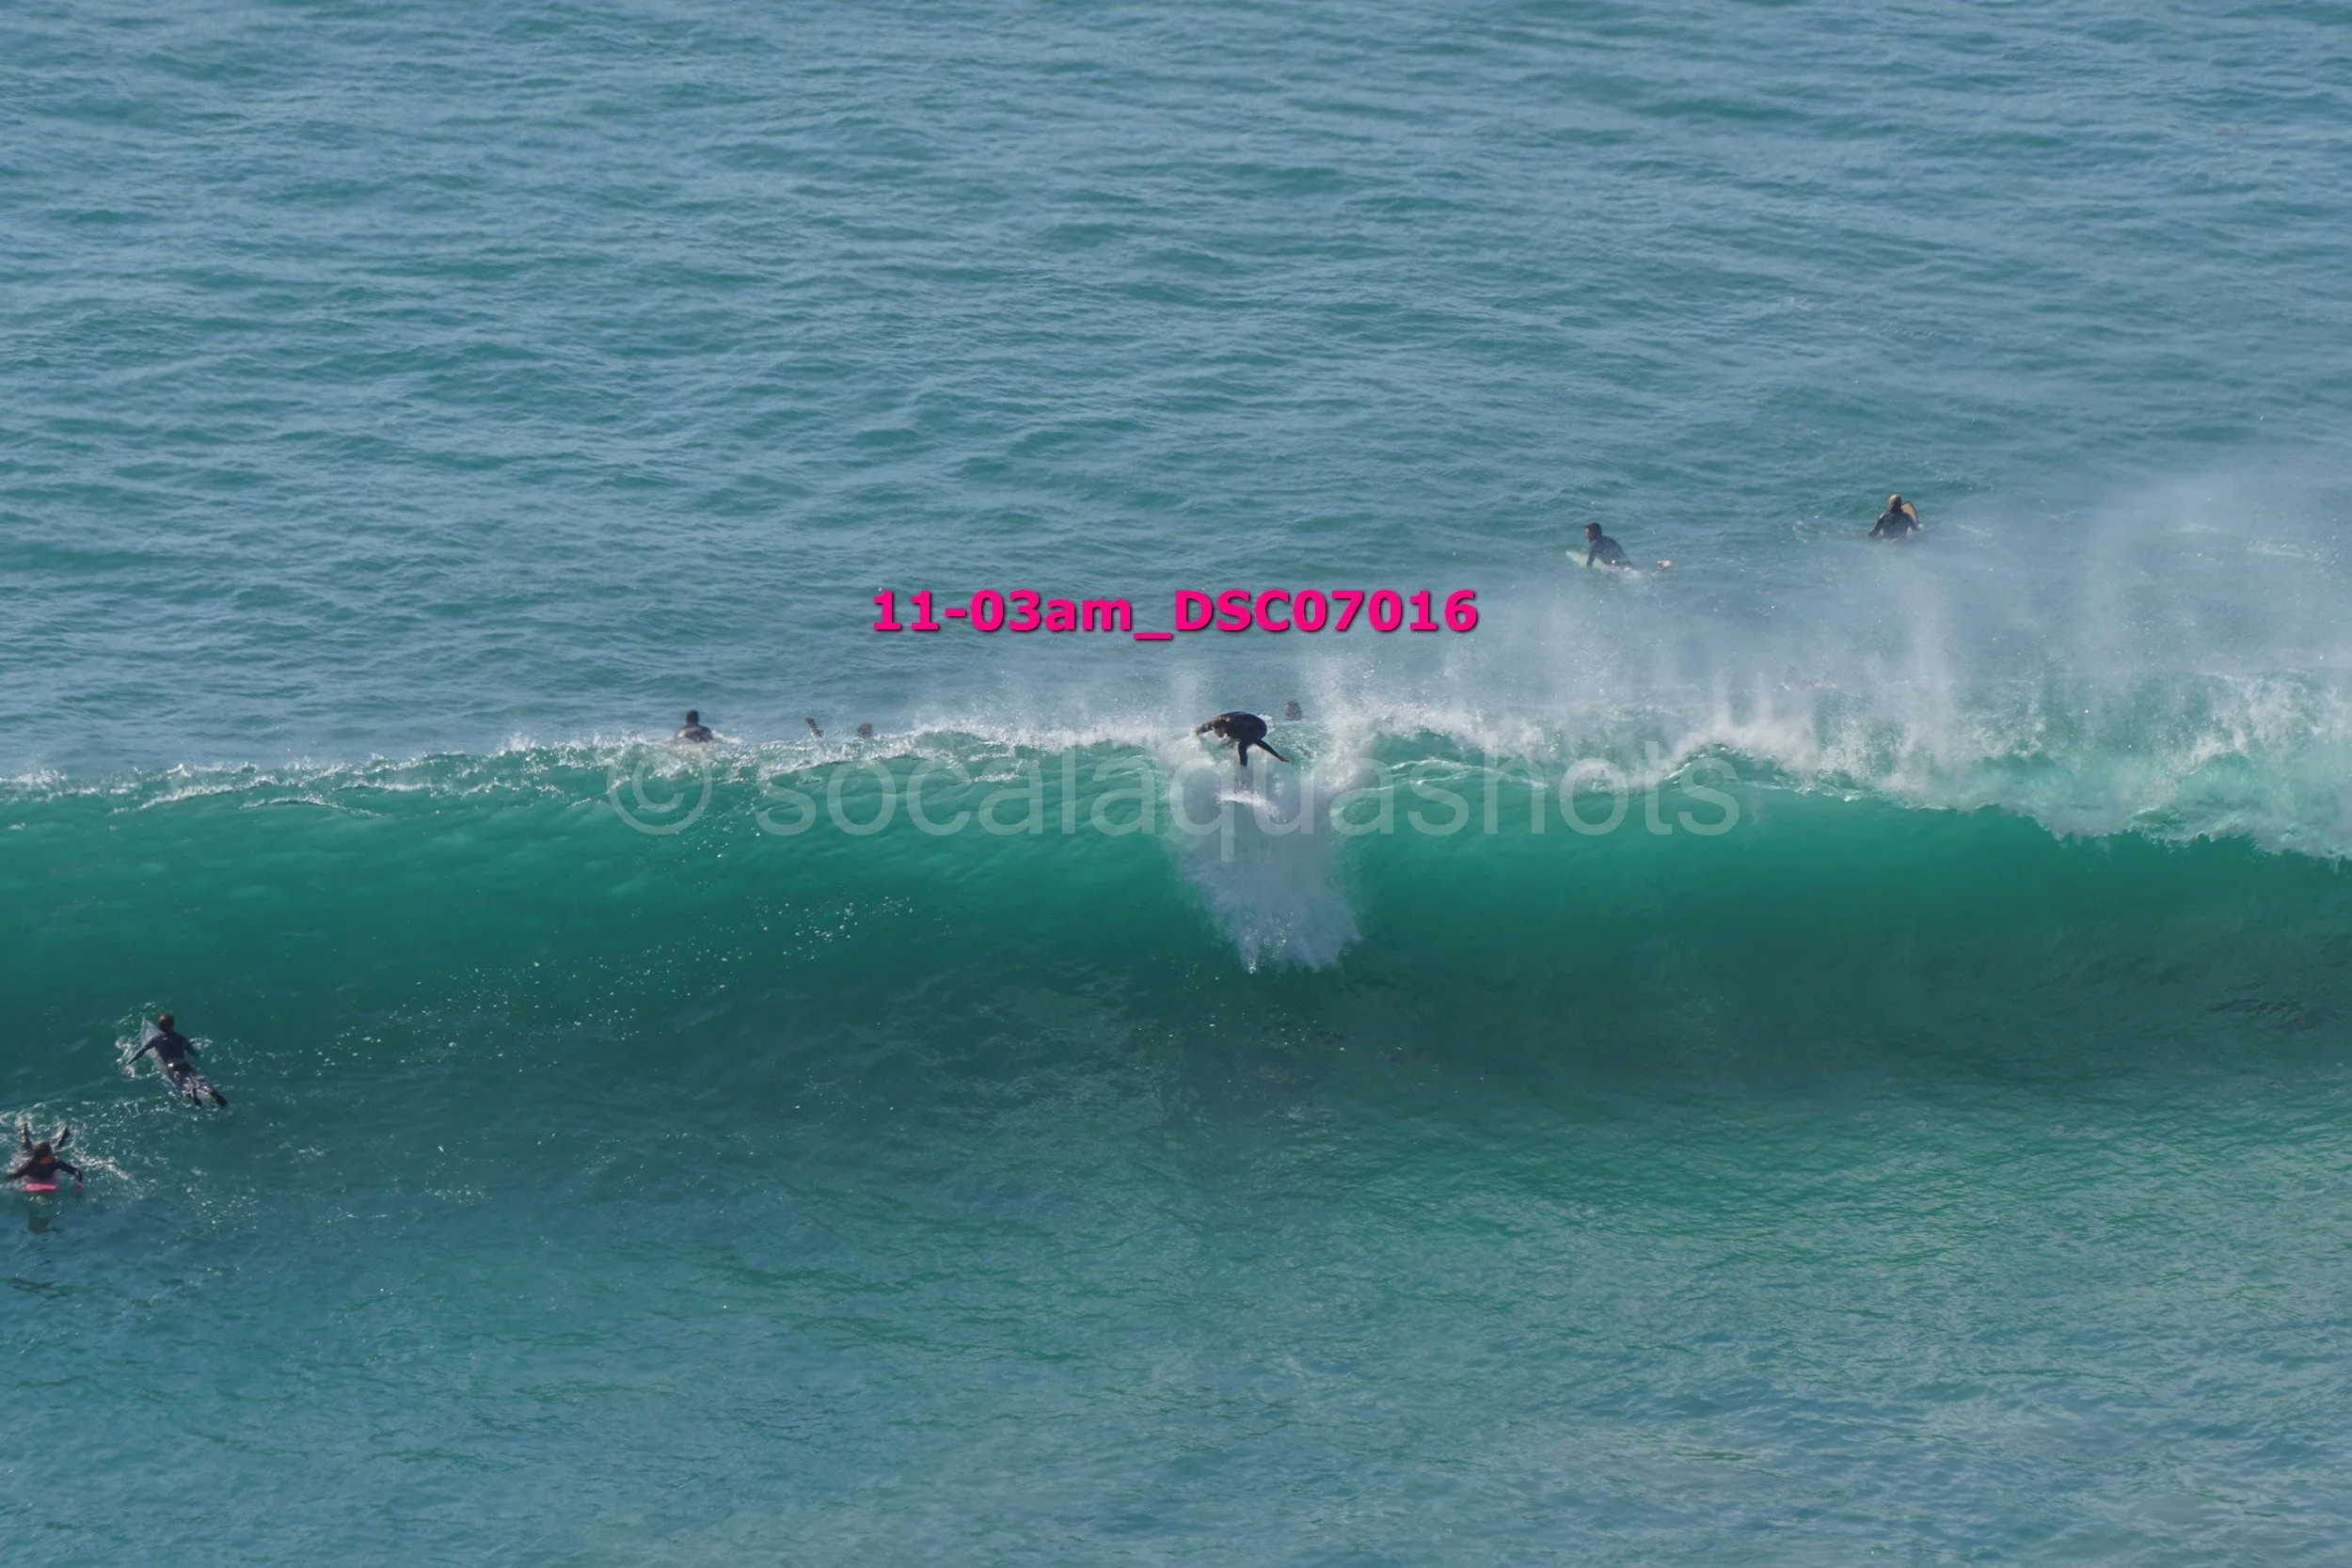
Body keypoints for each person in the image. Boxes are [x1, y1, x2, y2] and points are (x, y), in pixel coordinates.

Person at [129, 1014, 229, 1107]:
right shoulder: (180, 1037)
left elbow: (141, 1051)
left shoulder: (156, 1039)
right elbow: (193, 1052)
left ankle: (191, 1092)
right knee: (199, 1080)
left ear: (159, 1027)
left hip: (172, 1067)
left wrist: (129, 1063)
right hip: (184, 1064)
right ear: (172, 1026)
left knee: (183, 1088)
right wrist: (197, 1058)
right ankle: (211, 1091)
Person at [1195, 711, 1291, 771]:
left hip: (1259, 728)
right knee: (1224, 745)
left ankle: (1243, 770)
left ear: (1224, 727)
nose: (1219, 735)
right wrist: (1195, 733)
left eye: (1221, 732)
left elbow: (1257, 741)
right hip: (1245, 722)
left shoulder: (1237, 729)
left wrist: (1277, 755)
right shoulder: (1213, 723)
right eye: (1216, 732)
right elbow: (1201, 729)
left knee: (1242, 746)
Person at [9, 1121, 80, 1190]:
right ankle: (24, 1128)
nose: (52, 1157)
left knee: (57, 1150)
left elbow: (77, 1172)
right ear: (42, 1158)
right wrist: (14, 1186)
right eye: (50, 1155)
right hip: (30, 1156)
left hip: (40, 1159)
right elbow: (14, 1176)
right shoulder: (29, 1167)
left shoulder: (55, 1163)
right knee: (26, 1145)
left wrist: (79, 1183)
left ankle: (64, 1135)